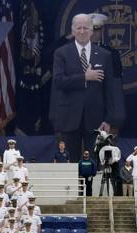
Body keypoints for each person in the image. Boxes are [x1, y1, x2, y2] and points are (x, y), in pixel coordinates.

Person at [49, 13, 119, 162]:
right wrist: (84, 77)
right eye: (78, 28)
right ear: (73, 31)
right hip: (68, 117)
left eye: (86, 28)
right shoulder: (61, 53)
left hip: (96, 119)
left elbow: (110, 90)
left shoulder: (104, 55)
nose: (82, 31)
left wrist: (108, 119)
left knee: (93, 162)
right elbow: (58, 81)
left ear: (92, 30)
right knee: (69, 162)